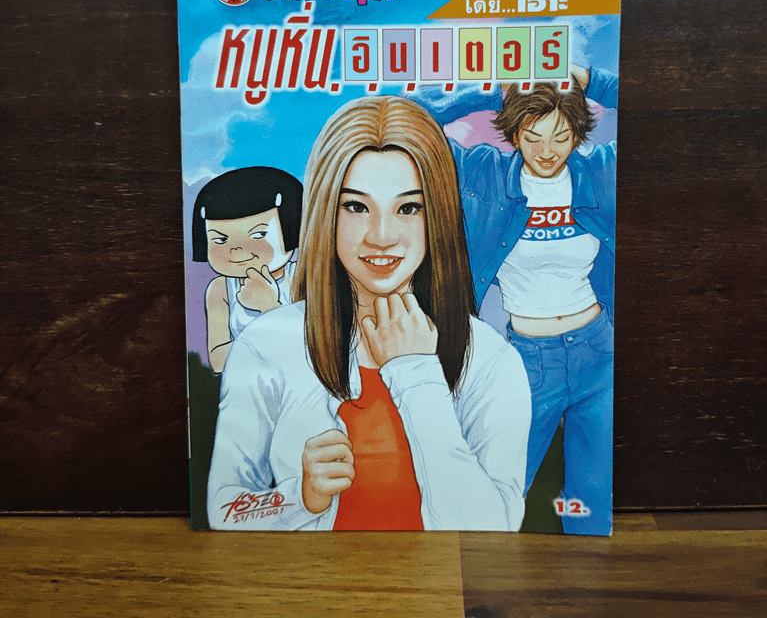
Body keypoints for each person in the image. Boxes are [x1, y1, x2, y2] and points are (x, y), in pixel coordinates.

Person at [206, 96, 531, 531]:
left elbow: (498, 526)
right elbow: (223, 510)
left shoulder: (490, 359)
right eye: (356, 207)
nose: (381, 236)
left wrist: (417, 376)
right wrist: (301, 498)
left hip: (439, 575)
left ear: (439, 215)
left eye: (409, 208)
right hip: (314, 573)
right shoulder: (265, 346)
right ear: (325, 212)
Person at [409, 65, 617, 536]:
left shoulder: (600, 172)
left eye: (561, 136)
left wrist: (590, 80)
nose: (547, 151)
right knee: (497, 493)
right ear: (514, 131)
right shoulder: (484, 174)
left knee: (590, 502)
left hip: (598, 352)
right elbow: (410, 115)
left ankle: (588, 574)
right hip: (528, 359)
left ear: (578, 131)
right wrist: (493, 89)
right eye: (532, 136)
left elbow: (653, 115)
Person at [192, 167, 303, 373]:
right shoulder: (220, 289)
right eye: (220, 239)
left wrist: (269, 307)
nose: (237, 249)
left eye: (259, 234)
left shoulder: (304, 276)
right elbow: (218, 361)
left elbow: (312, 347)